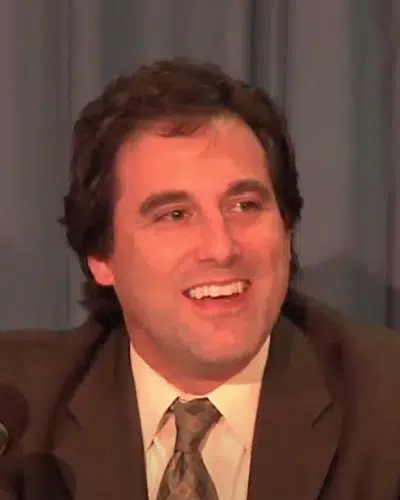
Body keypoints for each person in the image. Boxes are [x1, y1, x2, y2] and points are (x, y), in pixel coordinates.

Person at [0, 58, 399, 500]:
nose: (221, 248)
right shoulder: (16, 411)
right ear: (100, 256)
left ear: (287, 232)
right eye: (175, 215)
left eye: (245, 206)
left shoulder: (385, 407)